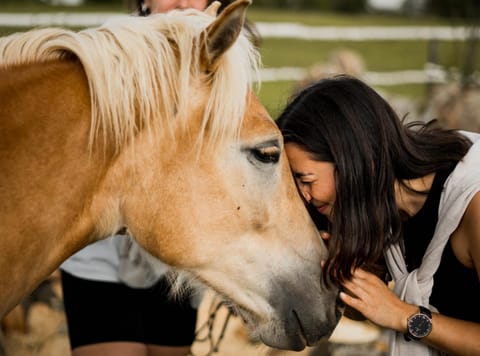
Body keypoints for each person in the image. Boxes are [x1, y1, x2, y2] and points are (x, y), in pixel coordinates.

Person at [60, 2, 260, 356]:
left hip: (174, 265)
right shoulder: (110, 51)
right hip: (101, 256)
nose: (184, 3)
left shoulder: (221, 59)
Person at [276, 75, 480, 355]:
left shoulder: (472, 205)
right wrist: (346, 274)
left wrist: (404, 315)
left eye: (306, 179)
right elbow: (371, 309)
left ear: (354, 161)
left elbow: (392, 312)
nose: (304, 196)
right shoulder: (385, 205)